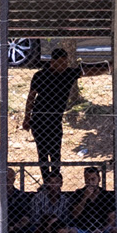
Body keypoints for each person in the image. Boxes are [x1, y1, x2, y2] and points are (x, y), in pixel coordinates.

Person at [24, 47, 80, 175]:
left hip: (55, 121)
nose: (63, 66)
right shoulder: (40, 75)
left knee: (55, 152)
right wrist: (27, 118)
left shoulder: (69, 73)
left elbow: (87, 71)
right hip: (39, 121)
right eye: (60, 63)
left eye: (65, 63)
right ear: (52, 62)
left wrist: (109, 65)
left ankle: (55, 180)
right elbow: (31, 97)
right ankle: (46, 181)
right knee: (43, 152)